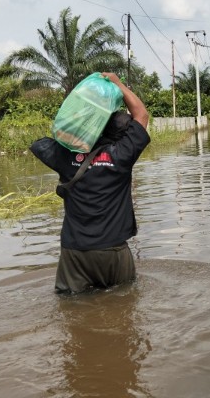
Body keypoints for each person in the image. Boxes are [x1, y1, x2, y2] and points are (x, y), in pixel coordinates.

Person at [30, 72, 150, 294]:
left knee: (71, 310)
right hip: (114, 251)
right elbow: (141, 115)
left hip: (75, 252)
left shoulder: (64, 157)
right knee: (124, 305)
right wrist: (117, 83)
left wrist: (78, 125)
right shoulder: (122, 155)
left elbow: (40, 144)